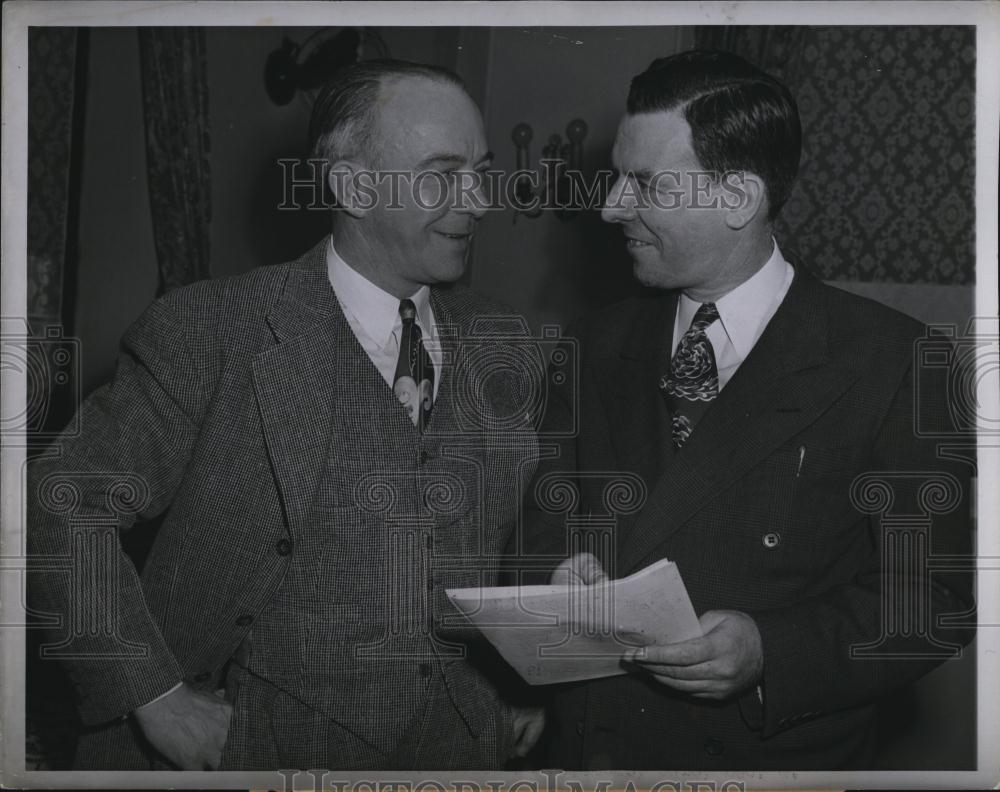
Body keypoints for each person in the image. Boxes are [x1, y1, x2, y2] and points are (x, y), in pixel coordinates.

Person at [28, 59, 545, 771]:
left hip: (458, 753)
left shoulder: (504, 341)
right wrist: (153, 695)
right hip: (254, 749)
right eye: (442, 174)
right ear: (353, 187)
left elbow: (518, 538)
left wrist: (531, 674)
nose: (478, 201)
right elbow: (58, 505)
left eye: (481, 171)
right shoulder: (211, 330)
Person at [520, 50, 975, 770]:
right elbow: (538, 520)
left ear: (737, 198)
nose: (609, 206)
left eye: (643, 183)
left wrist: (771, 650)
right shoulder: (593, 343)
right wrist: (553, 575)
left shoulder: (893, 361)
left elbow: (934, 599)